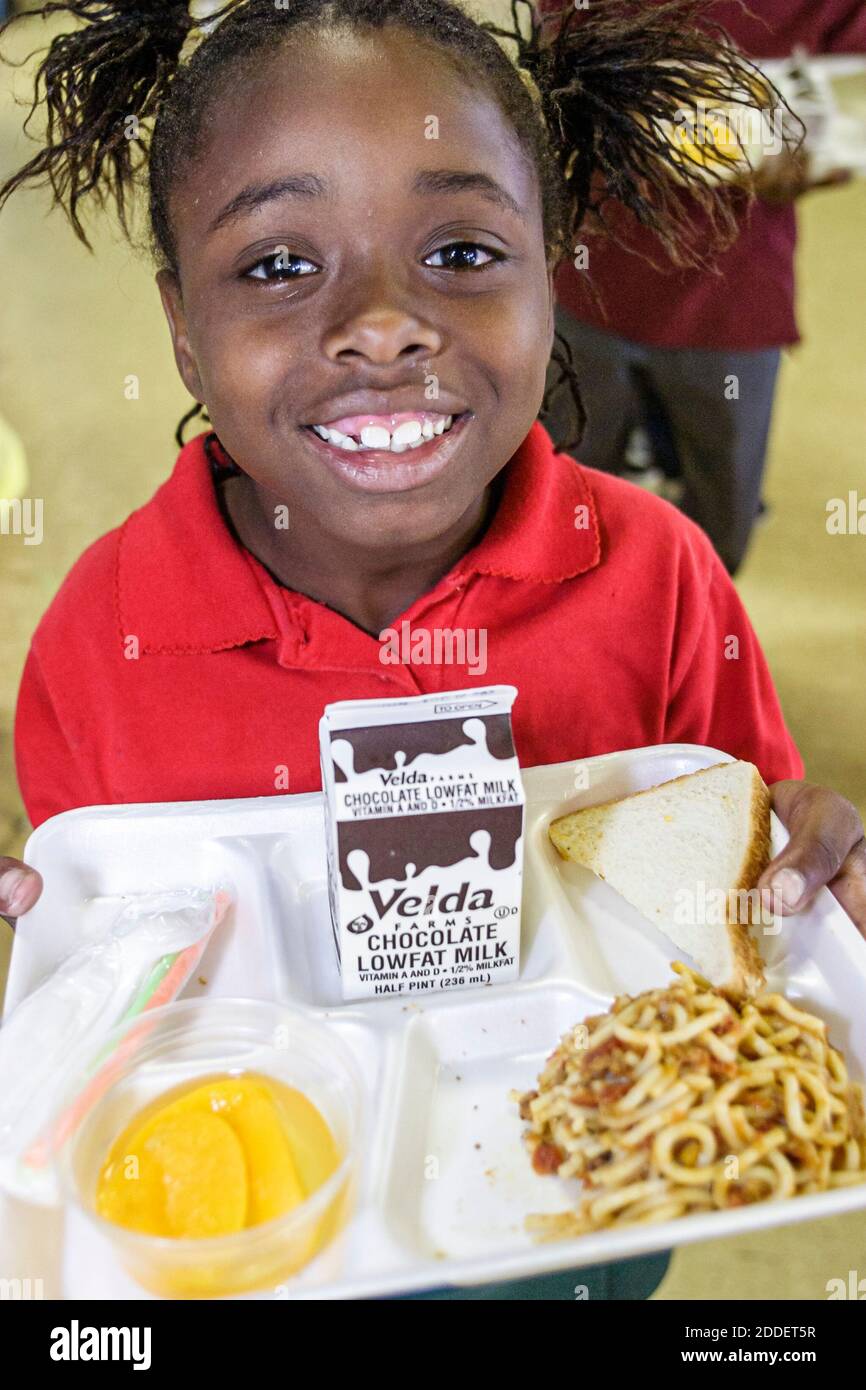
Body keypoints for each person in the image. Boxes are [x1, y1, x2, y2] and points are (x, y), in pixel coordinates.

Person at [1, 0, 865, 1300]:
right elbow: (104, 957)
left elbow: (747, 878)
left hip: (589, 1210)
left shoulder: (664, 579)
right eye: (280, 265)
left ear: (552, 269)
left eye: (461, 249)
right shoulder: (100, 635)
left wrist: (814, 861)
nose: (384, 323)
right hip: (258, 1241)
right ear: (180, 323)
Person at [541, 0, 866, 574]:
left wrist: (817, 152)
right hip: (589, 283)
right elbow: (554, 56)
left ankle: (692, 634)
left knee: (719, 520)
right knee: (570, 492)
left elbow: (848, 100)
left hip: (732, 302)